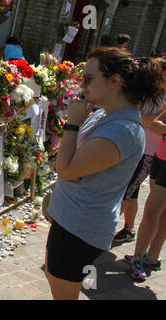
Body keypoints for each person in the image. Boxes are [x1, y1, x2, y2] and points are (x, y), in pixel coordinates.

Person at [44, 47, 164, 300]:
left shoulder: (123, 130)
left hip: (80, 227)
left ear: (114, 82)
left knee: (63, 293)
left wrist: (73, 123)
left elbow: (67, 169)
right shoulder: (103, 114)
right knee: (55, 280)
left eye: (89, 78)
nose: (82, 84)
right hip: (70, 218)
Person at [124, 56, 166, 281]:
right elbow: (157, 124)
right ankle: (142, 256)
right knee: (154, 211)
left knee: (159, 212)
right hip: (161, 158)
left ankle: (148, 257)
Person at [114, 92, 163, 242]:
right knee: (132, 192)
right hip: (137, 147)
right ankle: (128, 229)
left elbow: (154, 124)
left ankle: (103, 230)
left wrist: (134, 115)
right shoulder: (152, 91)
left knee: (125, 191)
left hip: (149, 152)